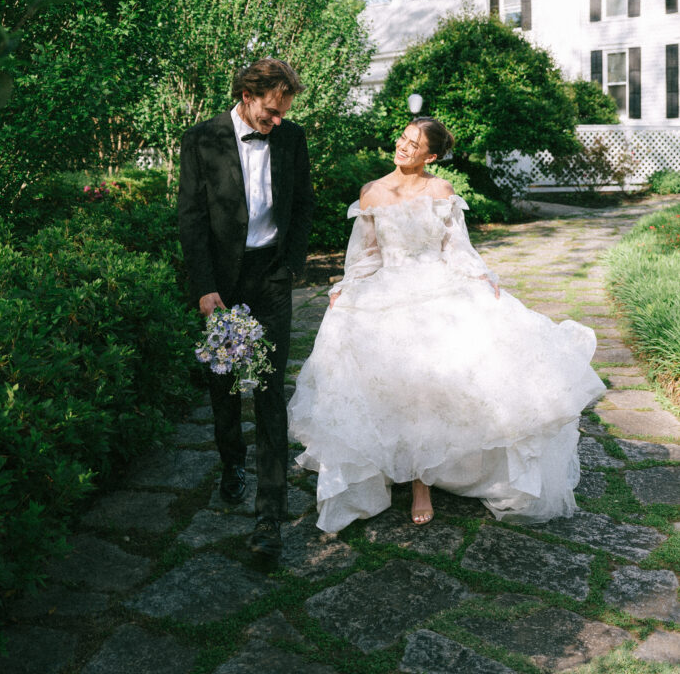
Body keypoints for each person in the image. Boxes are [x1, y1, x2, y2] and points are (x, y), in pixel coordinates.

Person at [288, 116, 605, 532]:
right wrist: (346, 287)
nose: (403, 146)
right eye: (403, 137)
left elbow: (457, 249)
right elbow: (366, 255)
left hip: (438, 285)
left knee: (437, 376)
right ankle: (396, 466)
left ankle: (424, 483)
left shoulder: (441, 191)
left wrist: (482, 279)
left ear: (430, 156)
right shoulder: (371, 193)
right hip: (389, 287)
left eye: (414, 144)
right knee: (395, 376)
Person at [178, 59, 314, 558]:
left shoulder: (291, 137)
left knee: (270, 390)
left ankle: (269, 518)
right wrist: (205, 287)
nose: (276, 121)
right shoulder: (202, 138)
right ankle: (232, 461)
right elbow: (190, 217)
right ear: (247, 94)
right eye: (271, 111)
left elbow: (303, 205)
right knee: (226, 383)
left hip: (271, 280)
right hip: (224, 285)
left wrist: (292, 267)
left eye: (283, 113)